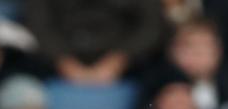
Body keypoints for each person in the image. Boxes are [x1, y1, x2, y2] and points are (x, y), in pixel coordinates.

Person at [25, 0, 166, 84]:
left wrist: (118, 60)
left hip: (129, 65)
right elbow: (37, 24)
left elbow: (151, 26)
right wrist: (64, 61)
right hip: (54, 63)